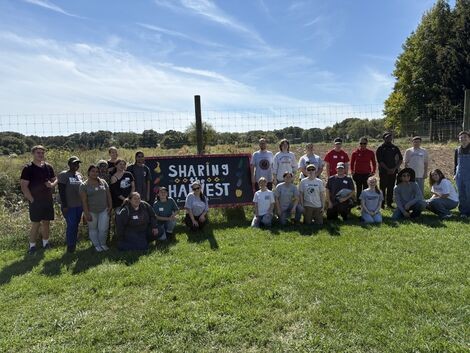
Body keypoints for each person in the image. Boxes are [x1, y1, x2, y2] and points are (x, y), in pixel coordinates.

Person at [20, 145, 57, 254]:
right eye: (38, 153)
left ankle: (46, 243)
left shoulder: (48, 167)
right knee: (36, 223)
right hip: (35, 201)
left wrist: (52, 184)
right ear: (33, 154)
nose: (41, 155)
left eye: (42, 153)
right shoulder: (28, 168)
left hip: (48, 200)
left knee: (46, 222)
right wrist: (31, 200)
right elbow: (23, 186)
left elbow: (55, 180)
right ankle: (32, 246)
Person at [80, 165, 113, 252]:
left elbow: (108, 195)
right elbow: (84, 201)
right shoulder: (83, 185)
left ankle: (103, 244)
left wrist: (110, 206)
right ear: (88, 173)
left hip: (104, 209)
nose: (95, 173)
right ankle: (97, 245)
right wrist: (86, 213)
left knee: (103, 228)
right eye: (93, 171)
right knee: (93, 229)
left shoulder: (103, 182)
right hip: (91, 211)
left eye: (97, 172)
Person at [58, 156, 84, 253]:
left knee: (76, 225)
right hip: (69, 206)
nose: (76, 165)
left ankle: (74, 243)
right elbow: (61, 191)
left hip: (79, 205)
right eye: (74, 163)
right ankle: (70, 246)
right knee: (71, 225)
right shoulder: (63, 175)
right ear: (69, 164)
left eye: (77, 163)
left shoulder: (79, 175)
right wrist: (64, 205)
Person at [376, 132, 403, 209]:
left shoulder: (395, 147)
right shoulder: (380, 148)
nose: (389, 138)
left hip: (393, 172)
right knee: (382, 188)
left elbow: (400, 159)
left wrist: (394, 169)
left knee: (391, 187)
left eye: (390, 137)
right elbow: (380, 161)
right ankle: (381, 204)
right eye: (387, 137)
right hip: (383, 171)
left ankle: (389, 204)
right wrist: (388, 169)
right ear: (384, 138)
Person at [350, 137, 377, 204]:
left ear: (367, 143)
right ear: (359, 143)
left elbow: (374, 163)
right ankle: (358, 202)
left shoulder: (370, 152)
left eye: (364, 143)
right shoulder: (355, 153)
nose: (362, 145)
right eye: (361, 143)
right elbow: (352, 163)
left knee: (366, 189)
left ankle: (365, 202)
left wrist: (373, 171)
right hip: (357, 174)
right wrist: (352, 171)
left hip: (367, 174)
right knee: (359, 189)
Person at [454, 131, 470, 218]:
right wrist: (454, 174)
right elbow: (455, 163)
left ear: (469, 138)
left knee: (469, 193)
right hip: (459, 175)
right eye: (461, 137)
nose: (463, 139)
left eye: (465, 137)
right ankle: (463, 212)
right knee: (461, 194)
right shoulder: (457, 150)